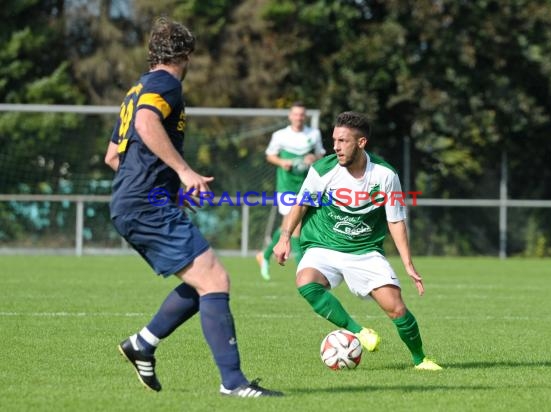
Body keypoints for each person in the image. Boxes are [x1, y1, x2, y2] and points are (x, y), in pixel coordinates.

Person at [105, 17, 283, 397]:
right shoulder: (165, 84)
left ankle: (144, 344)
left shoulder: (136, 88)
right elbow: (147, 123)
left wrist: (162, 188)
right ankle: (233, 383)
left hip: (134, 201)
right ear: (185, 55)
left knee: (205, 281)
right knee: (215, 279)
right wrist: (183, 172)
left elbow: (112, 157)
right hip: (143, 204)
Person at [273, 111, 442, 371]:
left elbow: (395, 220)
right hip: (323, 245)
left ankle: (421, 360)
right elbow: (301, 203)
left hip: (364, 250)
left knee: (396, 308)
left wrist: (408, 264)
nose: (336, 147)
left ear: (361, 143)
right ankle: (358, 331)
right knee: (306, 283)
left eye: (343, 141)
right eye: (334, 141)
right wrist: (285, 238)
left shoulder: (386, 175)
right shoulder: (323, 169)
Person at [256, 102, 325, 280]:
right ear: (290, 116)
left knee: (289, 225)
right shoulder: (280, 136)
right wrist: (282, 162)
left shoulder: (313, 134)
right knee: (296, 227)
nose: (298, 117)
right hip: (286, 185)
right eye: (296, 114)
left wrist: (313, 157)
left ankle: (264, 255)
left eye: (302, 114)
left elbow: (321, 155)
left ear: (305, 116)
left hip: (306, 185)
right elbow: (270, 155)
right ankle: (303, 272)